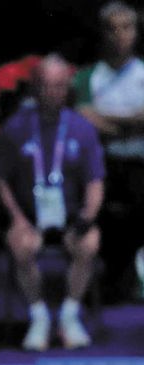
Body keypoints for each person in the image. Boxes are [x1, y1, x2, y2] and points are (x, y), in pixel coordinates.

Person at [0, 55, 106, 351]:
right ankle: (39, 316)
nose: (52, 92)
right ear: (35, 87)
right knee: (21, 244)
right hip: (30, 216)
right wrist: (17, 218)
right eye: (46, 85)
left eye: (59, 86)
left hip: (70, 216)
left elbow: (95, 181)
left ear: (67, 88)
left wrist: (87, 216)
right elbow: (1, 179)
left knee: (89, 242)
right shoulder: (15, 128)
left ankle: (69, 315)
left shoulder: (82, 128)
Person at [74, 1, 144, 302]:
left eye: (127, 28)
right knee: (106, 224)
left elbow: (101, 119)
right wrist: (131, 123)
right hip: (103, 167)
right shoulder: (88, 76)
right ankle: (111, 285)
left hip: (140, 164)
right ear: (103, 33)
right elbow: (85, 117)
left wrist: (107, 121)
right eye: (113, 29)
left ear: (136, 32)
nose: (120, 35)